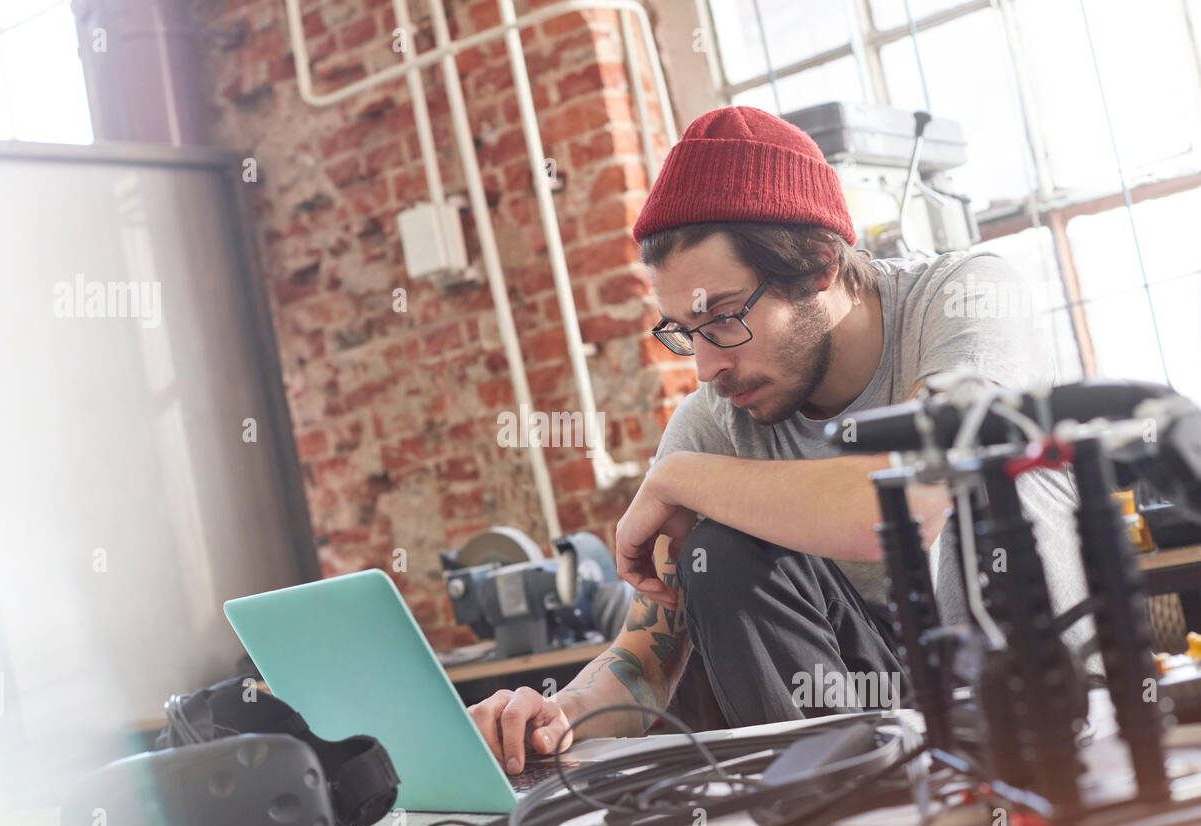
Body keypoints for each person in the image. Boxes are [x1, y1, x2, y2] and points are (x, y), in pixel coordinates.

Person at [466, 105, 1090, 775]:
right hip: (877, 747)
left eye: (723, 317)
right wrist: (554, 714)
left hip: (1043, 713)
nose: (705, 368)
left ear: (820, 263)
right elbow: (645, 662)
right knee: (724, 556)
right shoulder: (718, 419)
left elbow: (909, 504)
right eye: (683, 331)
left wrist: (679, 477)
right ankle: (839, 808)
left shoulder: (966, 302)